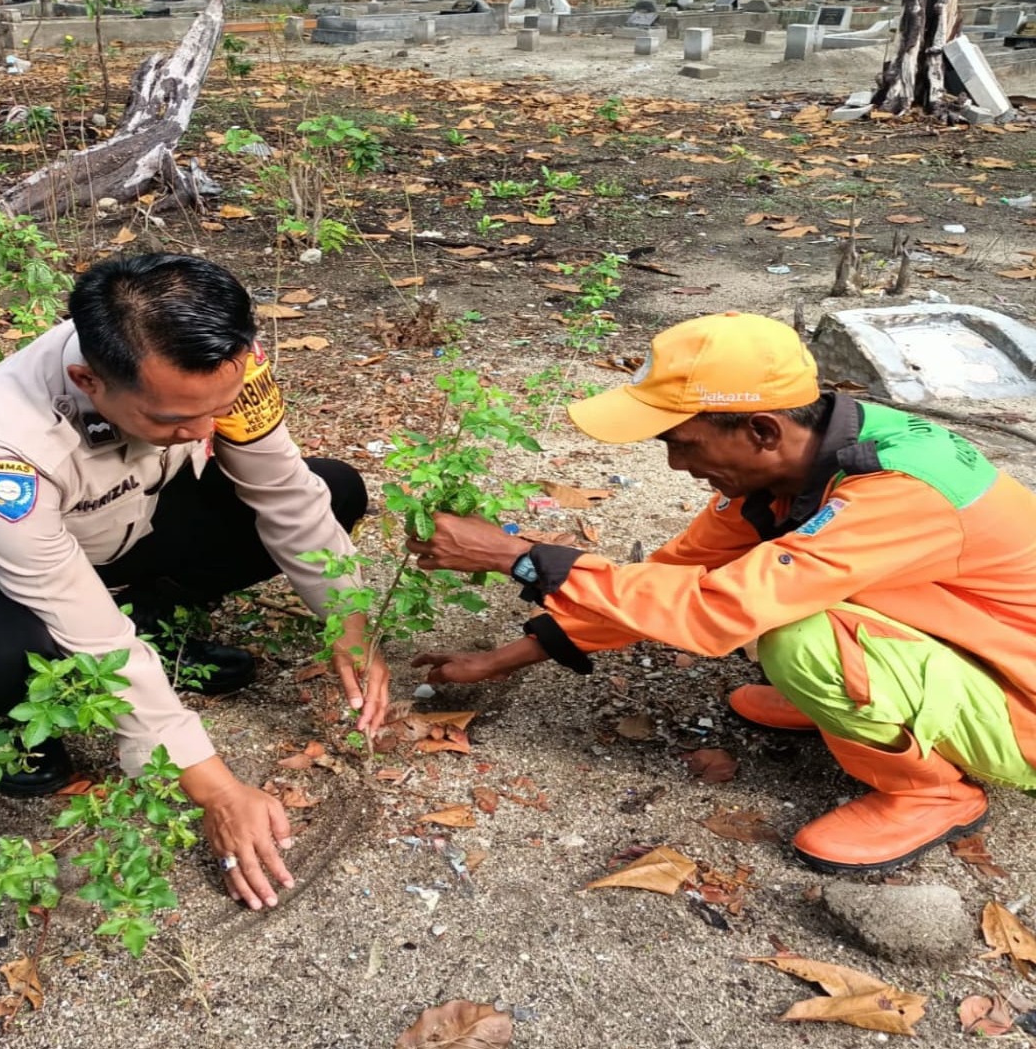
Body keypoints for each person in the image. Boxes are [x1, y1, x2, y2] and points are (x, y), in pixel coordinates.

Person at [0, 253, 390, 911]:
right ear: (89, 380)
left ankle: (159, 624)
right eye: (172, 421)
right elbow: (80, 617)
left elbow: (287, 497)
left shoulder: (224, 370)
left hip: (111, 526)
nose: (203, 431)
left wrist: (350, 627)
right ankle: (13, 727)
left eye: (216, 408)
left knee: (331, 490)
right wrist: (215, 789)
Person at [406, 311, 1036, 873]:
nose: (678, 465)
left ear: (761, 430)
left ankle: (931, 793)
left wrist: (519, 558)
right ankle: (860, 707)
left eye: (682, 442)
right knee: (777, 597)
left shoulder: (898, 489)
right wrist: (498, 660)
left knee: (795, 638)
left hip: (1022, 706)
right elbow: (667, 580)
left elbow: (716, 612)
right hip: (978, 649)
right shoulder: (802, 462)